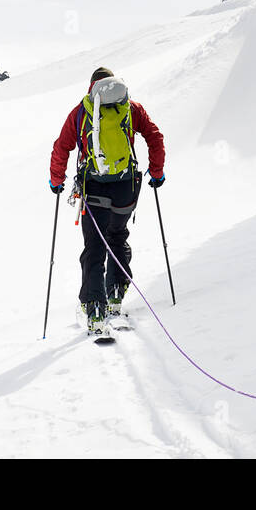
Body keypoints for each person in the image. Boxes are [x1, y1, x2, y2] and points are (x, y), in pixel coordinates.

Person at [50, 66, 166, 334]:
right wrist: (156, 172)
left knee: (95, 246)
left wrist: (57, 180)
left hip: (95, 189)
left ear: (92, 87)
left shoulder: (82, 111)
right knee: (117, 236)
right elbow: (154, 138)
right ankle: (116, 291)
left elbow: (62, 147)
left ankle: (95, 307)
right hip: (126, 189)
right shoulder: (131, 108)